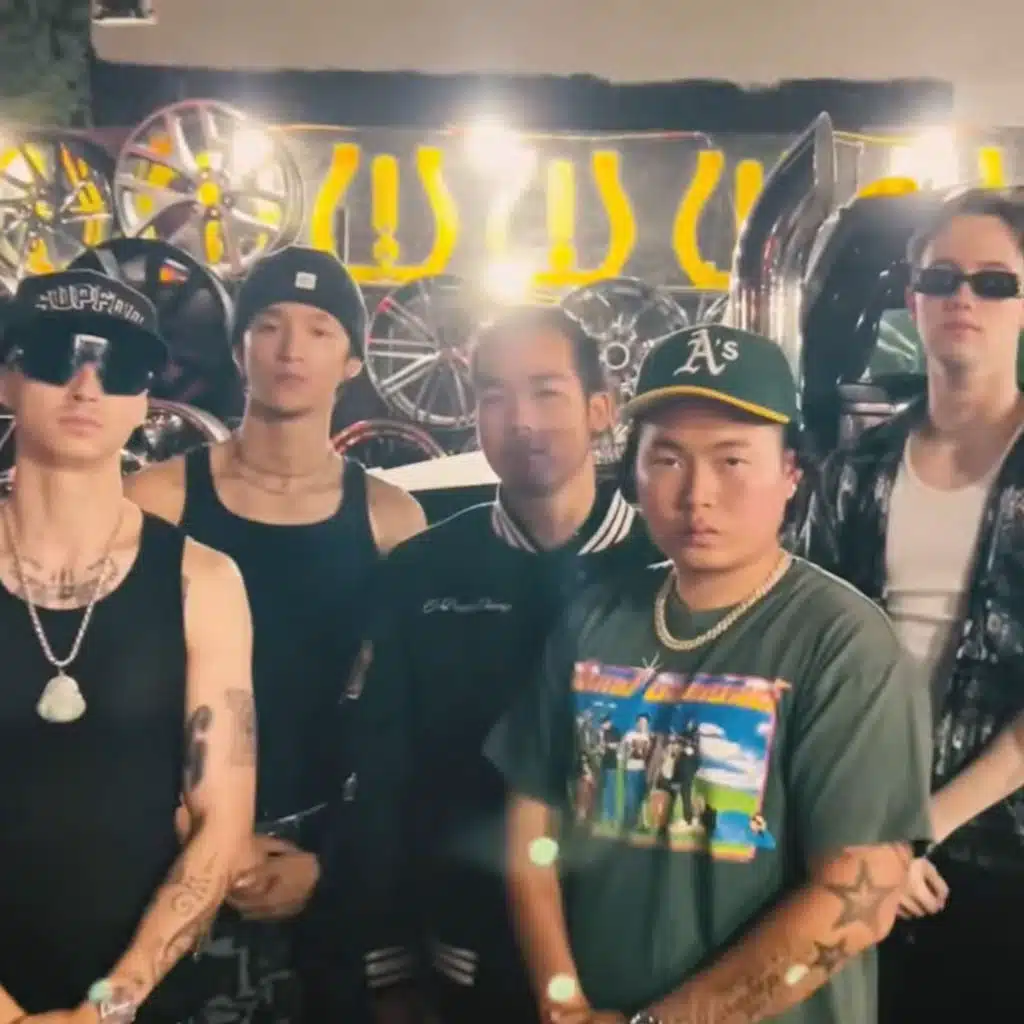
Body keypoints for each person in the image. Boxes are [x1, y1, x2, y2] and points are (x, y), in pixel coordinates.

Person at [486, 324, 933, 1024]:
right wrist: (560, 995)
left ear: (791, 472)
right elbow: (533, 819)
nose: (697, 494)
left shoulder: (843, 644)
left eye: (733, 460)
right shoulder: (595, 619)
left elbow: (861, 893)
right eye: (667, 459)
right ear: (635, 472)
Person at [126, 245, 426, 1023]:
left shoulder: (391, 520)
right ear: (239, 348)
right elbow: (118, 693)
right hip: (166, 854)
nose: (292, 349)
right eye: (269, 324)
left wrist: (329, 862)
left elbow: (400, 727)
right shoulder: (158, 500)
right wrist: (201, 839)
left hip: (317, 867)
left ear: (352, 360)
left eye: (319, 330)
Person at [345, 306, 656, 1024]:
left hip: (639, 955)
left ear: (601, 408)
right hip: (467, 951)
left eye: (546, 391)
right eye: (494, 395)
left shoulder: (665, 567)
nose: (520, 420)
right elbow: (381, 774)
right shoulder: (422, 570)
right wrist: (388, 967)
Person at [0, 268, 256, 1023]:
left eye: (120, 367)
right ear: (8, 376)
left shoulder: (203, 581)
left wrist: (110, 1005)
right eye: (58, 356)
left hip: (140, 999)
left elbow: (222, 822)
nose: (86, 386)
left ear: (144, 399)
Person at [797, 188, 1024, 1019]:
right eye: (941, 278)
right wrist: (868, 831)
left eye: (995, 282)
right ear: (912, 298)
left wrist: (918, 831)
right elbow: (812, 662)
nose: (964, 297)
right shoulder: (855, 470)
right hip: (860, 835)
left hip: (1000, 853)